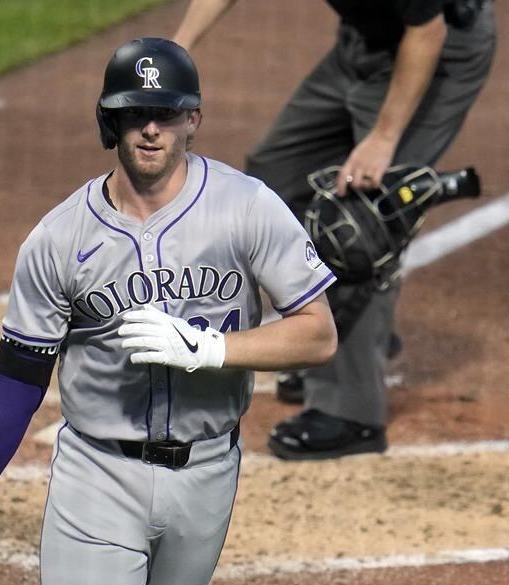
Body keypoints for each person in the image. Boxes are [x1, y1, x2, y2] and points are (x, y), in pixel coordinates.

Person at [0, 38, 337, 585]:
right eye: (135, 113)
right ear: (110, 121)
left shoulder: (247, 207)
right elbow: (17, 374)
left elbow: (318, 334)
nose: (151, 130)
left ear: (192, 120)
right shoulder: (59, 237)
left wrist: (210, 349)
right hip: (98, 476)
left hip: (209, 472)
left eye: (166, 114)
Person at [173, 0, 495, 459]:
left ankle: (352, 413)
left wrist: (383, 138)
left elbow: (427, 33)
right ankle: (327, 341)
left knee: (364, 217)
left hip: (438, 51)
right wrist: (179, 47)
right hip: (362, 45)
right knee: (278, 174)